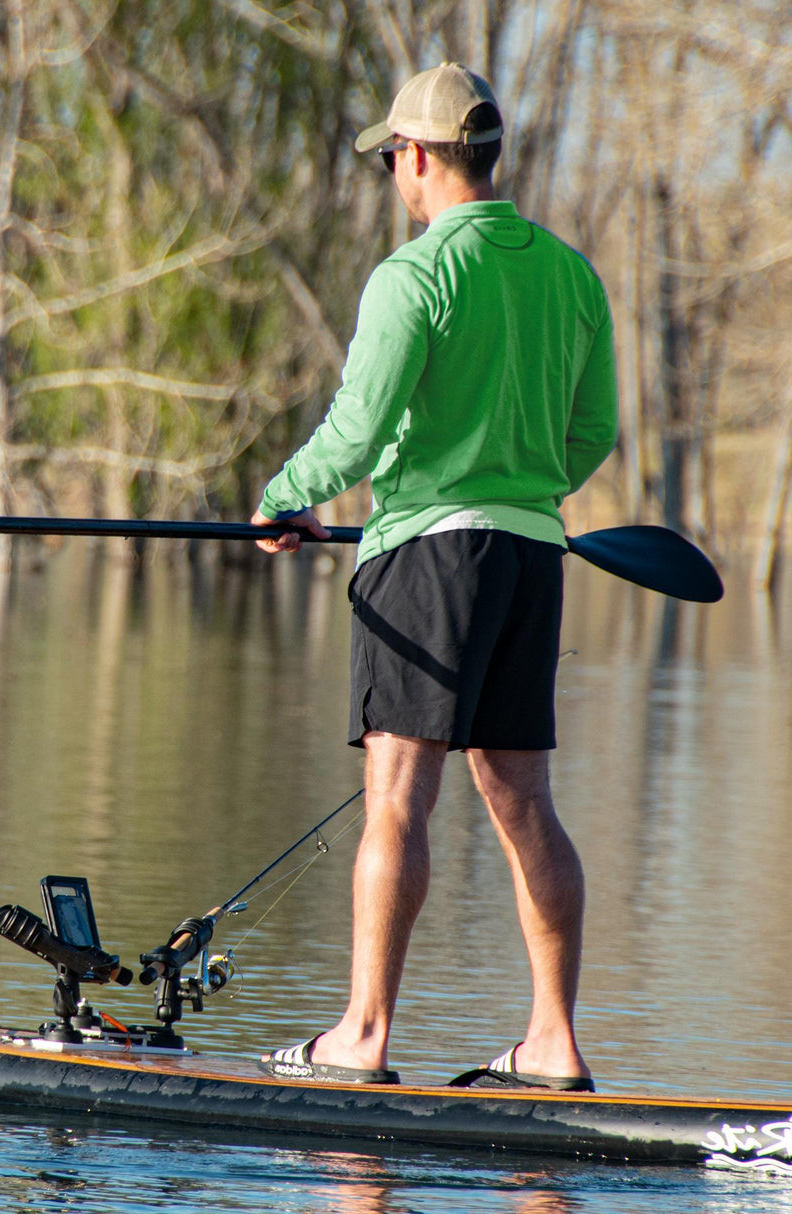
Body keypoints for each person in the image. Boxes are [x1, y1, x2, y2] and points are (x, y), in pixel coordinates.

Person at [251, 63, 618, 1091]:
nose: (391, 178)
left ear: (414, 158)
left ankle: (361, 1035)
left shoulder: (409, 276)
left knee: (394, 803)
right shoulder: (571, 275)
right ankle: (551, 1039)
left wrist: (284, 494)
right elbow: (592, 430)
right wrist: (520, 489)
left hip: (422, 557)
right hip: (527, 554)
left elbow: (356, 432)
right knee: (522, 804)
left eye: (390, 161)